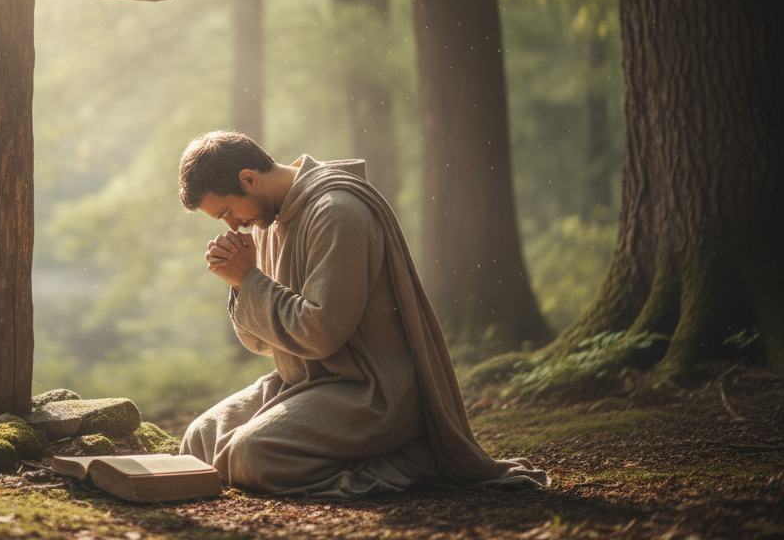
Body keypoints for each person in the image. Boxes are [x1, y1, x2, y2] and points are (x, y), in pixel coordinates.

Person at [177, 130, 547, 497]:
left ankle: (410, 458)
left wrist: (249, 279)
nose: (232, 225)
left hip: (370, 392)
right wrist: (243, 284)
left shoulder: (336, 211)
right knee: (198, 440)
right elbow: (261, 341)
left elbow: (321, 334)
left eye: (227, 211)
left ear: (249, 179)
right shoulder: (266, 222)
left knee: (251, 456)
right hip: (304, 383)